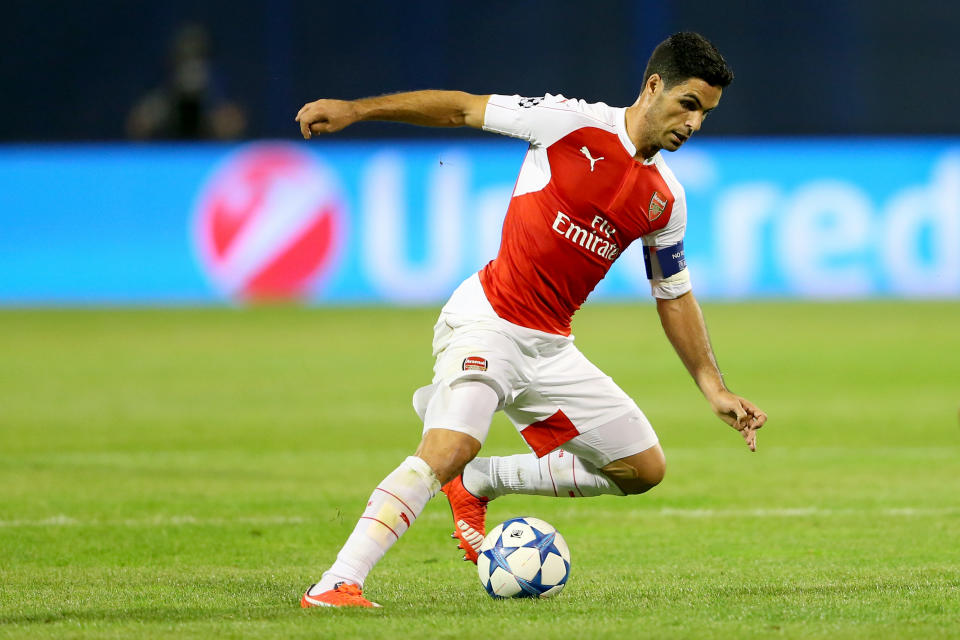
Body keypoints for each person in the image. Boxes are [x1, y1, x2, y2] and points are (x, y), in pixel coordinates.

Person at [294, 32, 767, 608]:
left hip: (550, 347)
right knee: (447, 446)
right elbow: (463, 108)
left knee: (641, 469)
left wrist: (712, 386)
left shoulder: (665, 199)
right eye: (688, 104)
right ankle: (338, 581)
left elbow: (673, 293)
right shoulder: (569, 123)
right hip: (488, 320)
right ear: (653, 86)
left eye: (705, 114)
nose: (693, 124)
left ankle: (481, 481)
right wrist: (355, 111)